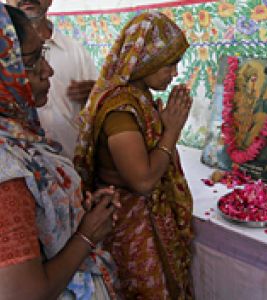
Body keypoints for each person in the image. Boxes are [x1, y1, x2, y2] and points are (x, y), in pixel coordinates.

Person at [0, 5, 120, 299]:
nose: (48, 70)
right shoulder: (7, 172)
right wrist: (87, 235)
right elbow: (23, 293)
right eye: (31, 60)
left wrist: (74, 209)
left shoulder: (21, 136)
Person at [74, 12, 194, 298]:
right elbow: (142, 181)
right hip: (132, 226)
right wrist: (172, 131)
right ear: (145, 60)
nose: (175, 73)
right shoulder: (121, 110)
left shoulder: (138, 98)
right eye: (170, 64)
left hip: (148, 219)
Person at [7, 0, 98, 160]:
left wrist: (95, 95)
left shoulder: (75, 51)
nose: (48, 72)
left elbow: (98, 107)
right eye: (32, 61)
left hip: (69, 167)